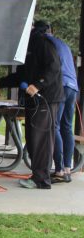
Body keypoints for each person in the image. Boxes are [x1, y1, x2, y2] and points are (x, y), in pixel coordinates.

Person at [0, 20, 63, 189]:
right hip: (33, 99)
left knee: (42, 139)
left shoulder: (41, 42)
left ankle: (42, 179)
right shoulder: (25, 46)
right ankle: (37, 175)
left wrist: (38, 84)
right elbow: (21, 75)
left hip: (46, 97)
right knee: (32, 139)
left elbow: (54, 67)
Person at [45, 24, 79, 183]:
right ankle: (67, 168)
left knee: (55, 126)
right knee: (67, 126)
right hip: (73, 86)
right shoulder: (62, 43)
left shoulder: (46, 43)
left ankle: (58, 170)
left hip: (61, 85)